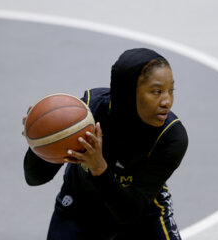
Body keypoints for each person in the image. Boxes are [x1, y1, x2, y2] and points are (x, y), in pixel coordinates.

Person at [23, 48, 188, 240]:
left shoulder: (171, 137)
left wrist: (99, 168)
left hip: (140, 213)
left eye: (171, 90)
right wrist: (40, 138)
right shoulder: (88, 115)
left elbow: (129, 213)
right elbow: (35, 178)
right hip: (80, 209)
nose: (167, 101)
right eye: (157, 91)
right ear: (128, 92)